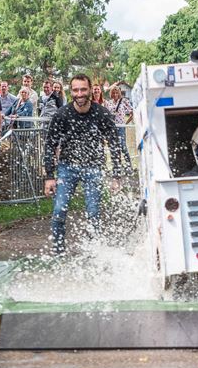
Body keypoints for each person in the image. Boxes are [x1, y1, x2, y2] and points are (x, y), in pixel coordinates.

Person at [43, 73, 125, 255]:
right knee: (59, 211)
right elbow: (50, 145)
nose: (79, 94)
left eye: (83, 89)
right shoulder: (62, 114)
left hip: (93, 168)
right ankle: (58, 252)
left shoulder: (102, 114)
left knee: (93, 212)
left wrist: (116, 176)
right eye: (76, 90)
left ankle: (93, 252)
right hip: (67, 168)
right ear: (70, 91)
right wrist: (49, 176)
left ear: (90, 91)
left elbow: (114, 145)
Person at [103, 84, 133, 167]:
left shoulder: (124, 101)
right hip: (112, 128)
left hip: (121, 127)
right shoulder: (109, 103)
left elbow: (132, 113)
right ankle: (118, 166)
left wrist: (125, 124)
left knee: (123, 146)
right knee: (115, 147)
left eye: (117, 92)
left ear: (119, 93)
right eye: (113, 93)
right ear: (111, 94)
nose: (115, 94)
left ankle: (129, 165)